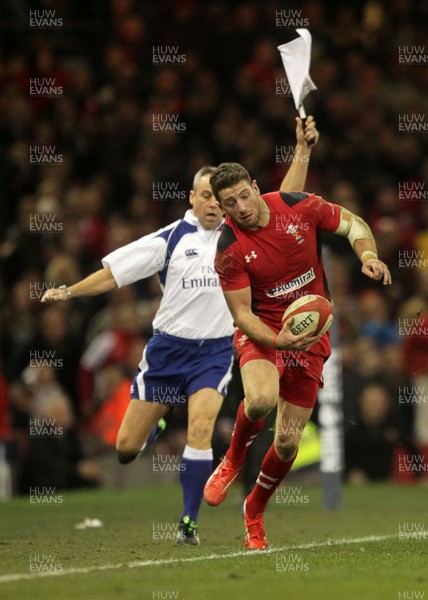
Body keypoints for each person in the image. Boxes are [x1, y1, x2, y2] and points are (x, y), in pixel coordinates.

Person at [41, 117, 319, 545]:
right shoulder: (169, 239)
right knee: (126, 448)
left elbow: (286, 200)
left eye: (220, 198)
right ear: (192, 198)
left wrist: (301, 148)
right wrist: (69, 291)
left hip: (212, 353)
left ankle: (189, 523)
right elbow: (113, 274)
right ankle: (154, 428)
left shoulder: (237, 233)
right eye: (206, 195)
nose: (215, 204)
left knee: (202, 426)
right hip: (167, 351)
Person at [204, 161, 392, 549]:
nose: (240, 206)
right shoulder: (228, 247)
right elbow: (241, 314)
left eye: (243, 195)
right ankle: (233, 459)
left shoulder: (298, 207)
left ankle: (254, 511)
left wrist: (367, 256)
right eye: (229, 203)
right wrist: (277, 341)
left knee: (287, 442)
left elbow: (354, 224)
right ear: (222, 209)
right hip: (262, 330)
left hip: (308, 336)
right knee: (259, 400)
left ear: (255, 187)